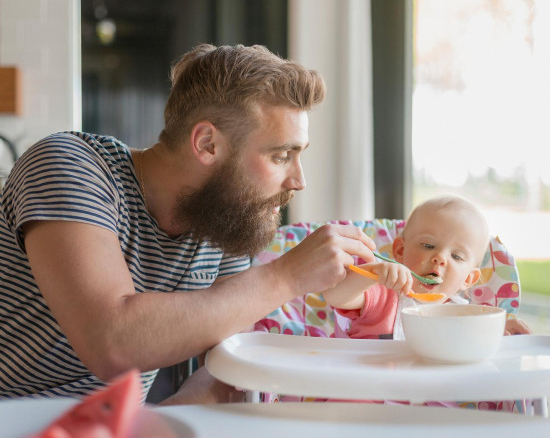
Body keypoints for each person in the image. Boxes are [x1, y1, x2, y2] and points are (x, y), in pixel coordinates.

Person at [0, 44, 377, 400]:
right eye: (281, 156)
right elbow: (112, 341)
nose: (299, 181)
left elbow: (228, 360)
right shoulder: (69, 167)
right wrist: (287, 276)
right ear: (207, 144)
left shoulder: (220, 215)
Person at [323, 194, 531, 343]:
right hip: (366, 390)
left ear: (468, 279)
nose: (440, 258)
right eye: (429, 246)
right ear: (400, 250)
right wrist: (374, 273)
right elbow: (335, 295)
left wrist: (495, 330)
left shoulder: (465, 317)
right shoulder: (383, 293)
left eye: (456, 256)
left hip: (425, 399)